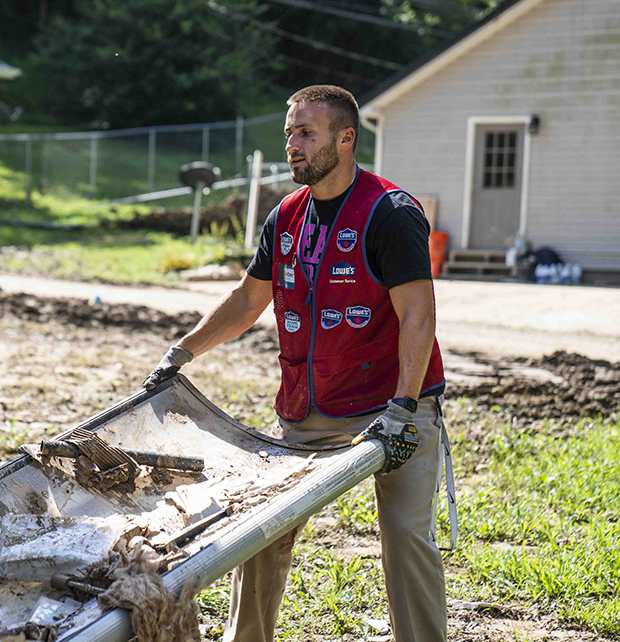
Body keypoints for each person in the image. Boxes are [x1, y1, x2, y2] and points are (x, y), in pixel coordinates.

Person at [143, 85, 450, 642]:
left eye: (306, 133)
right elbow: (245, 301)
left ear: (345, 138)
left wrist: (405, 408)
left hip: (394, 408)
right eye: (289, 134)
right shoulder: (286, 216)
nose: (293, 145)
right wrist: (181, 352)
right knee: (259, 531)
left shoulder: (390, 213)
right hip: (309, 411)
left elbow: (419, 318)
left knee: (406, 536)